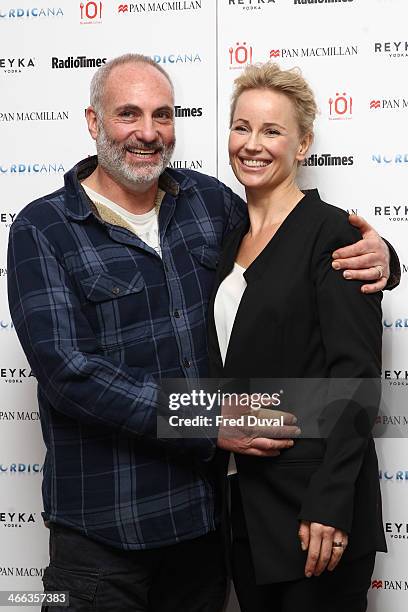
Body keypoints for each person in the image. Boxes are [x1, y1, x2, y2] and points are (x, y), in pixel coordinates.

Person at [7, 54, 395, 612]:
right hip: (102, 537)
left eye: (162, 115)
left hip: (199, 532)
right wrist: (205, 418)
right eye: (128, 114)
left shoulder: (205, 205)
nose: (147, 132)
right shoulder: (43, 229)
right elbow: (71, 373)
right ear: (93, 123)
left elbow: (295, 238)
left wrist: (383, 257)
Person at [208, 62, 388, 612]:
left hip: (315, 519)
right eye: (242, 127)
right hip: (243, 512)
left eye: (272, 130)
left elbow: (355, 379)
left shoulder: (332, 232)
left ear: (303, 144)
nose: (252, 144)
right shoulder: (224, 235)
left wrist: (330, 503)